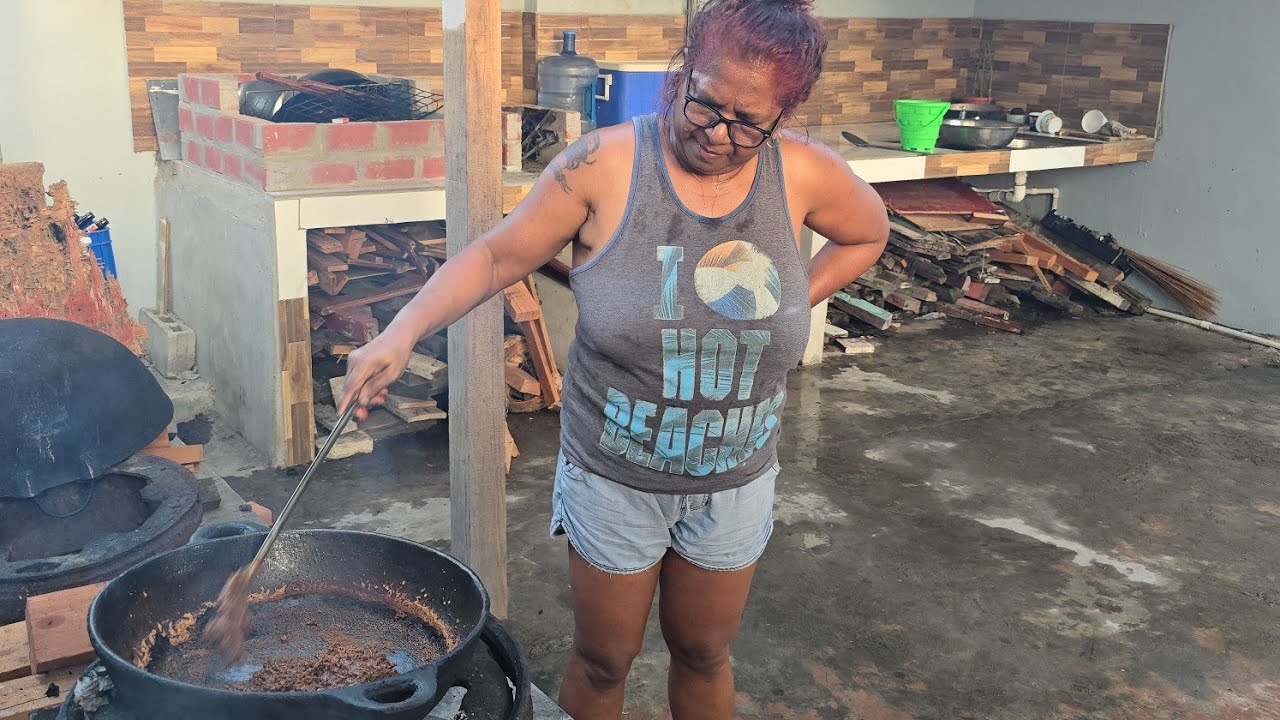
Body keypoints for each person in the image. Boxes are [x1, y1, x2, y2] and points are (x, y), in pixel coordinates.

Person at [340, 0, 888, 716]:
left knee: (704, 653)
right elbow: (497, 254)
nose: (719, 134)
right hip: (615, 478)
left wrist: (793, 298)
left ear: (783, 117)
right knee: (604, 661)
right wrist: (399, 333)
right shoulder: (602, 166)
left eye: (749, 123)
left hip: (734, 480)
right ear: (682, 71)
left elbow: (868, 233)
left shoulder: (807, 174)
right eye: (705, 103)